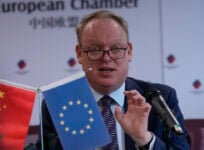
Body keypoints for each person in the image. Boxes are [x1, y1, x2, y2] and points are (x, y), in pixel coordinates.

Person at [37, 10, 190, 150]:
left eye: (116, 48)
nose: (106, 58)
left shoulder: (159, 98)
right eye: (95, 49)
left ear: (129, 52)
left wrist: (145, 139)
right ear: (79, 54)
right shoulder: (60, 103)